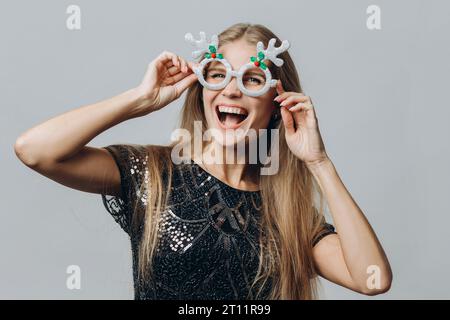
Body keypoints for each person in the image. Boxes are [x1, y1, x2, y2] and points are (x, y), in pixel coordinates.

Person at [14, 23, 392, 299]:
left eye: (252, 79)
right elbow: (35, 150)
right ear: (201, 91)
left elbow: (372, 279)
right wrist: (138, 100)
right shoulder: (154, 175)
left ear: (277, 106)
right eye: (218, 75)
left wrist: (319, 161)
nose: (231, 89)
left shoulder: (289, 214)